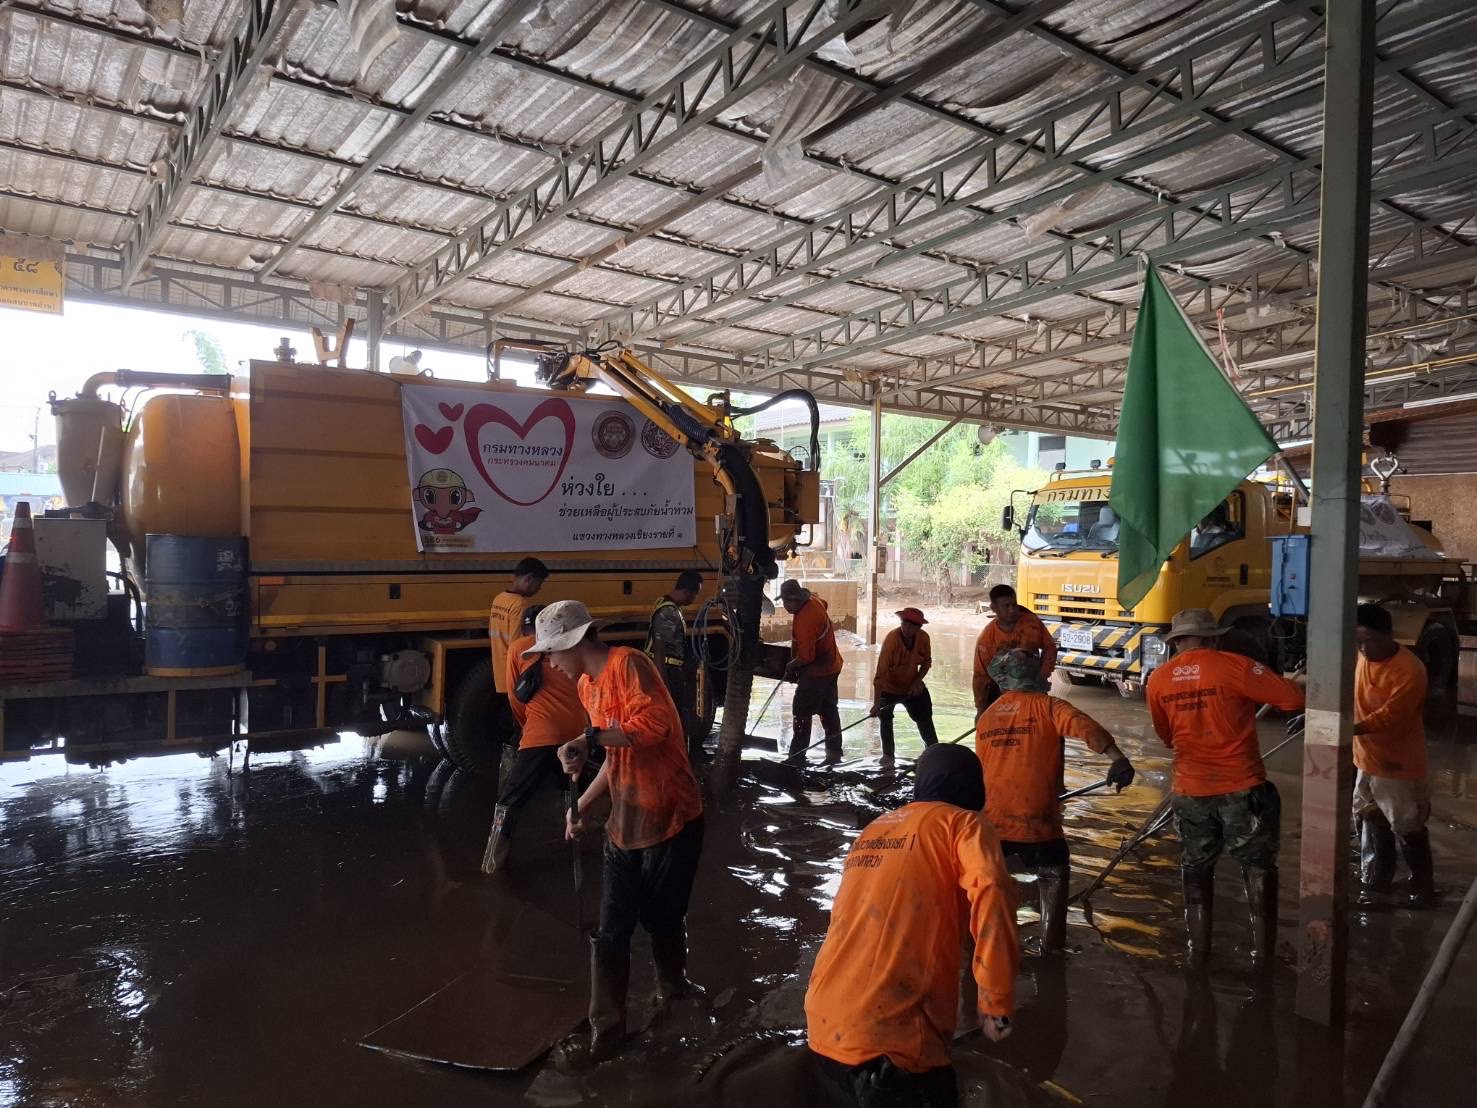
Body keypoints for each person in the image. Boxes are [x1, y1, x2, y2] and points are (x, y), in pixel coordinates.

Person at [528, 601, 704, 1062]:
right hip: (625, 820)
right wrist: (581, 805)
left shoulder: (629, 664)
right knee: (610, 930)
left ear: (573, 642)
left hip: (670, 814)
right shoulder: (587, 687)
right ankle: (606, 1032)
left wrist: (586, 740)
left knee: (664, 919)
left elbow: (653, 727)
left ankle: (675, 991)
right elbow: (615, 756)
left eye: (552, 652)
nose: (550, 663)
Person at [805, 743, 1018, 1107]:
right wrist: (996, 1001)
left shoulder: (875, 829)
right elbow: (992, 892)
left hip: (824, 1023)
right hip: (891, 1036)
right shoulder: (963, 824)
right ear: (974, 788)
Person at [1146, 608, 1305, 976]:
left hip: (1190, 790)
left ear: (1177, 642)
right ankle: (1263, 955)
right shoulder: (1235, 666)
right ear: (1214, 638)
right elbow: (1293, 700)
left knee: (1196, 868)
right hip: (1241, 787)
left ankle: (1197, 952)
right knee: (1258, 867)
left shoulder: (1158, 679)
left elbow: (1166, 736)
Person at [975, 649, 1134, 953]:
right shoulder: (1049, 706)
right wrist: (1118, 759)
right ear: (1035, 675)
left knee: (994, 893)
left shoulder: (987, 718)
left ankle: (989, 949)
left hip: (993, 828)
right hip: (1038, 825)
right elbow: (1085, 726)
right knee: (1053, 873)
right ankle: (1051, 949)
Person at [481, 605, 590, 875]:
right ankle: (578, 845)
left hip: (539, 733)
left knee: (510, 798)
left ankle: (492, 863)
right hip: (577, 732)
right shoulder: (575, 648)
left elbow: (514, 697)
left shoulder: (520, 648)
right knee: (573, 789)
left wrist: (527, 727)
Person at [1352, 603, 1435, 909]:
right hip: (1365, 758)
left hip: (1398, 763)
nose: (1363, 649)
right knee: (1369, 816)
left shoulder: (1410, 670)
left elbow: (1389, 716)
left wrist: (1346, 729)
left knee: (1407, 824)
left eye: (1368, 641)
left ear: (1388, 635)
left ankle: (1421, 889)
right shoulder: (1361, 657)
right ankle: (1377, 881)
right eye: (1358, 642)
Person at [779, 579, 844, 763]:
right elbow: (825, 603)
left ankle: (796, 758)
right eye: (783, 601)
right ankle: (834, 753)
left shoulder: (805, 621)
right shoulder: (813, 601)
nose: (785, 606)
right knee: (828, 709)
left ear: (795, 601)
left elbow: (806, 657)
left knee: (801, 711)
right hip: (833, 666)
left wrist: (791, 666)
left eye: (786, 602)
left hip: (817, 672)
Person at [645, 570, 705, 760]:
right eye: (695, 594)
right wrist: (662, 682)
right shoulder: (669, 612)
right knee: (673, 714)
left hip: (671, 668)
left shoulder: (665, 604)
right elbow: (660, 647)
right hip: (668, 670)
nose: (694, 599)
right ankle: (674, 756)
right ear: (687, 591)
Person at [973, 583, 1057, 713]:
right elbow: (980, 676)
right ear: (994, 608)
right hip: (1002, 694)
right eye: (1006, 606)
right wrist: (981, 708)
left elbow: (1050, 648)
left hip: (1034, 685)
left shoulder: (1032, 622)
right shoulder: (986, 639)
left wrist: (1043, 674)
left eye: (1014, 604)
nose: (1012, 610)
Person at [871, 607, 939, 760]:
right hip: (889, 687)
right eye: (904, 624)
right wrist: (876, 703)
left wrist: (916, 682)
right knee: (885, 719)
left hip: (911, 686)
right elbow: (880, 675)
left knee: (925, 717)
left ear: (919, 628)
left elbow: (926, 663)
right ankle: (888, 756)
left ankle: (933, 753)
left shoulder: (924, 638)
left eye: (912, 626)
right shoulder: (891, 641)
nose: (907, 629)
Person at [488, 558, 550, 696]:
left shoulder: (499, 599)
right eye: (539, 583)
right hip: (514, 675)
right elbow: (518, 645)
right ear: (529, 579)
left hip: (500, 672)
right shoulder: (519, 604)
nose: (539, 588)